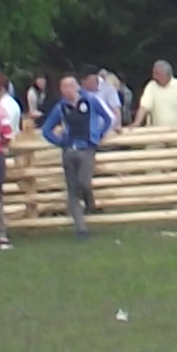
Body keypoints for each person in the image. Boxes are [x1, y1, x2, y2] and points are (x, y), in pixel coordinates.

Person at [41, 67, 114, 231]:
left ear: (76, 87)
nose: (67, 90)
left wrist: (98, 135)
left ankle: (90, 203)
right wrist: (60, 142)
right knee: (72, 190)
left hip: (86, 148)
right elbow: (46, 129)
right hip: (69, 150)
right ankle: (81, 228)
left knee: (84, 182)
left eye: (70, 86)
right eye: (64, 87)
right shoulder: (61, 107)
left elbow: (108, 118)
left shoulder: (91, 101)